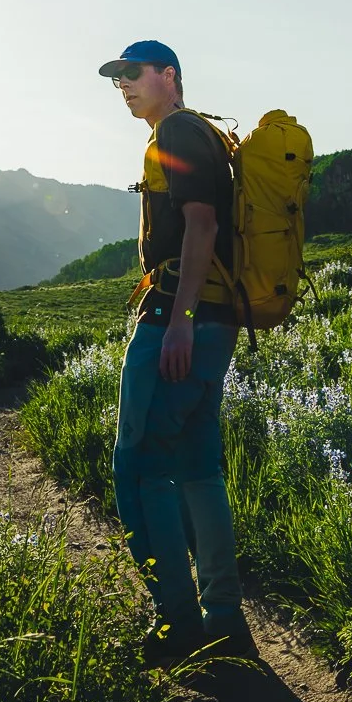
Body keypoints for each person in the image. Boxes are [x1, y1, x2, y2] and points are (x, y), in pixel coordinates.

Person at [98, 38, 253, 663]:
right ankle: (225, 620)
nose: (124, 86)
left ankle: (179, 622)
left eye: (133, 74)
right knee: (197, 467)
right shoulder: (202, 133)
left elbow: (202, 224)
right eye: (118, 80)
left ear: (169, 75)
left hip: (178, 319)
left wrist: (180, 319)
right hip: (213, 318)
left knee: (139, 468)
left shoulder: (179, 132)